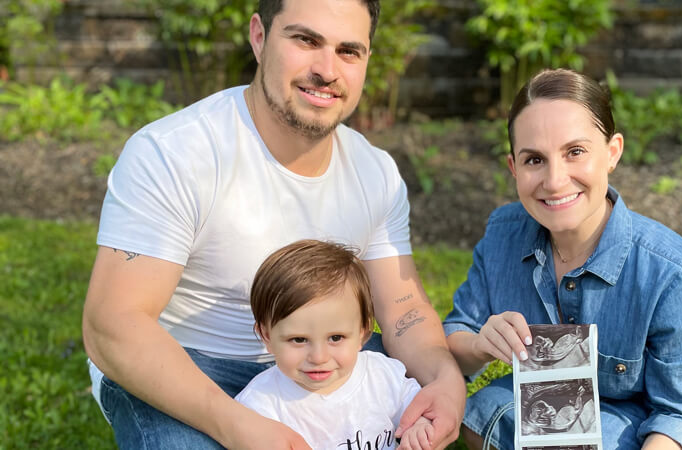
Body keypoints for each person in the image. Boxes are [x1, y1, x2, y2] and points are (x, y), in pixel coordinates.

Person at [81, 0, 464, 448]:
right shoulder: (176, 153)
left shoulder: (374, 171)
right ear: (259, 37)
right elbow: (114, 324)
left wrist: (445, 381)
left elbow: (402, 310)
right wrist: (239, 425)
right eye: (306, 40)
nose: (326, 69)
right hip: (189, 368)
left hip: (325, 353)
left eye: (348, 51)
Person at [442, 69, 682, 450]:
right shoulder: (503, 234)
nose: (554, 181)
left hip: (655, 416)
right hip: (562, 397)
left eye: (575, 152)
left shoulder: (675, 274)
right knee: (483, 410)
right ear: (513, 168)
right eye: (534, 160)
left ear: (612, 153)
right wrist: (480, 346)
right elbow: (456, 335)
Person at [234, 239, 434, 450]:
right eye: (299, 340)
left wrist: (420, 426)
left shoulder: (383, 376)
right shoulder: (260, 405)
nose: (319, 357)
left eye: (336, 338)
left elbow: (420, 407)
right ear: (266, 336)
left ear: (363, 332)